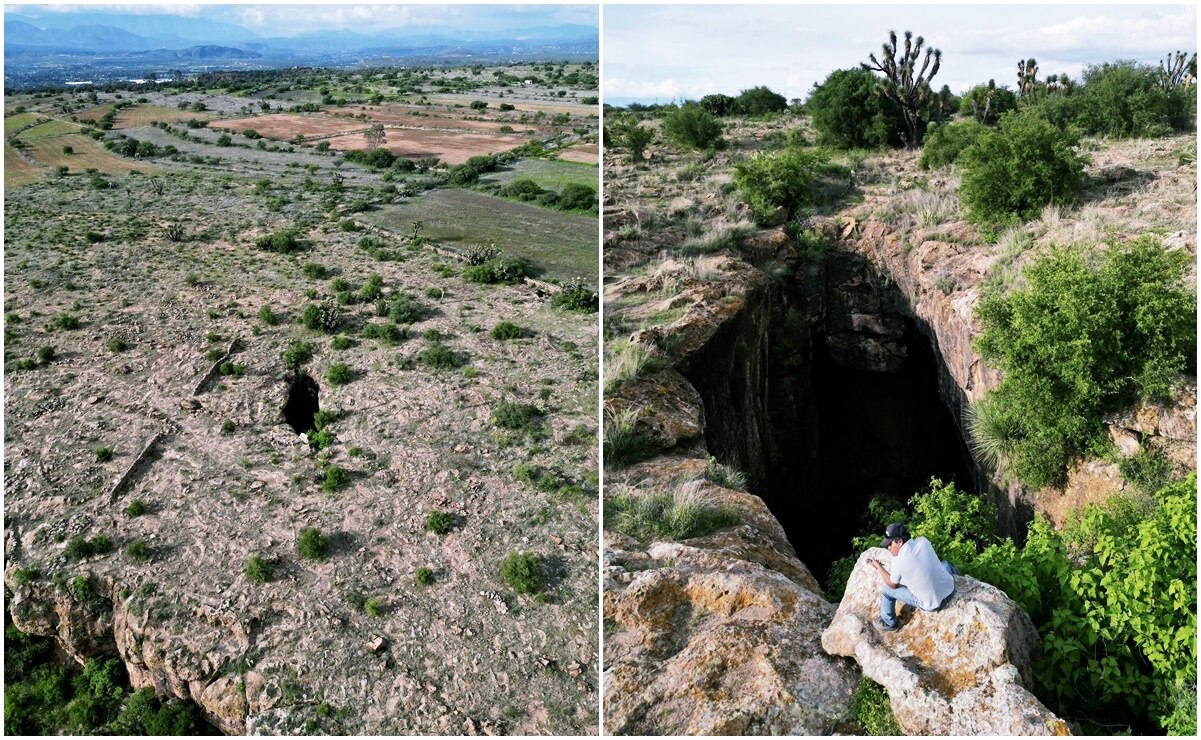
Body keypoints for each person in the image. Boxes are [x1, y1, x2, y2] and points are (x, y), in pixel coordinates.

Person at [869, 523, 957, 632]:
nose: (888, 548)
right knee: (945, 564)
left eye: (890, 544)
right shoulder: (923, 541)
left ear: (900, 541)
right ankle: (956, 575)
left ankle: (889, 623)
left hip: (932, 604)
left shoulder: (898, 561)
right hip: (950, 589)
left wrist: (878, 566)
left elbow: (892, 584)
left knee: (887, 590)